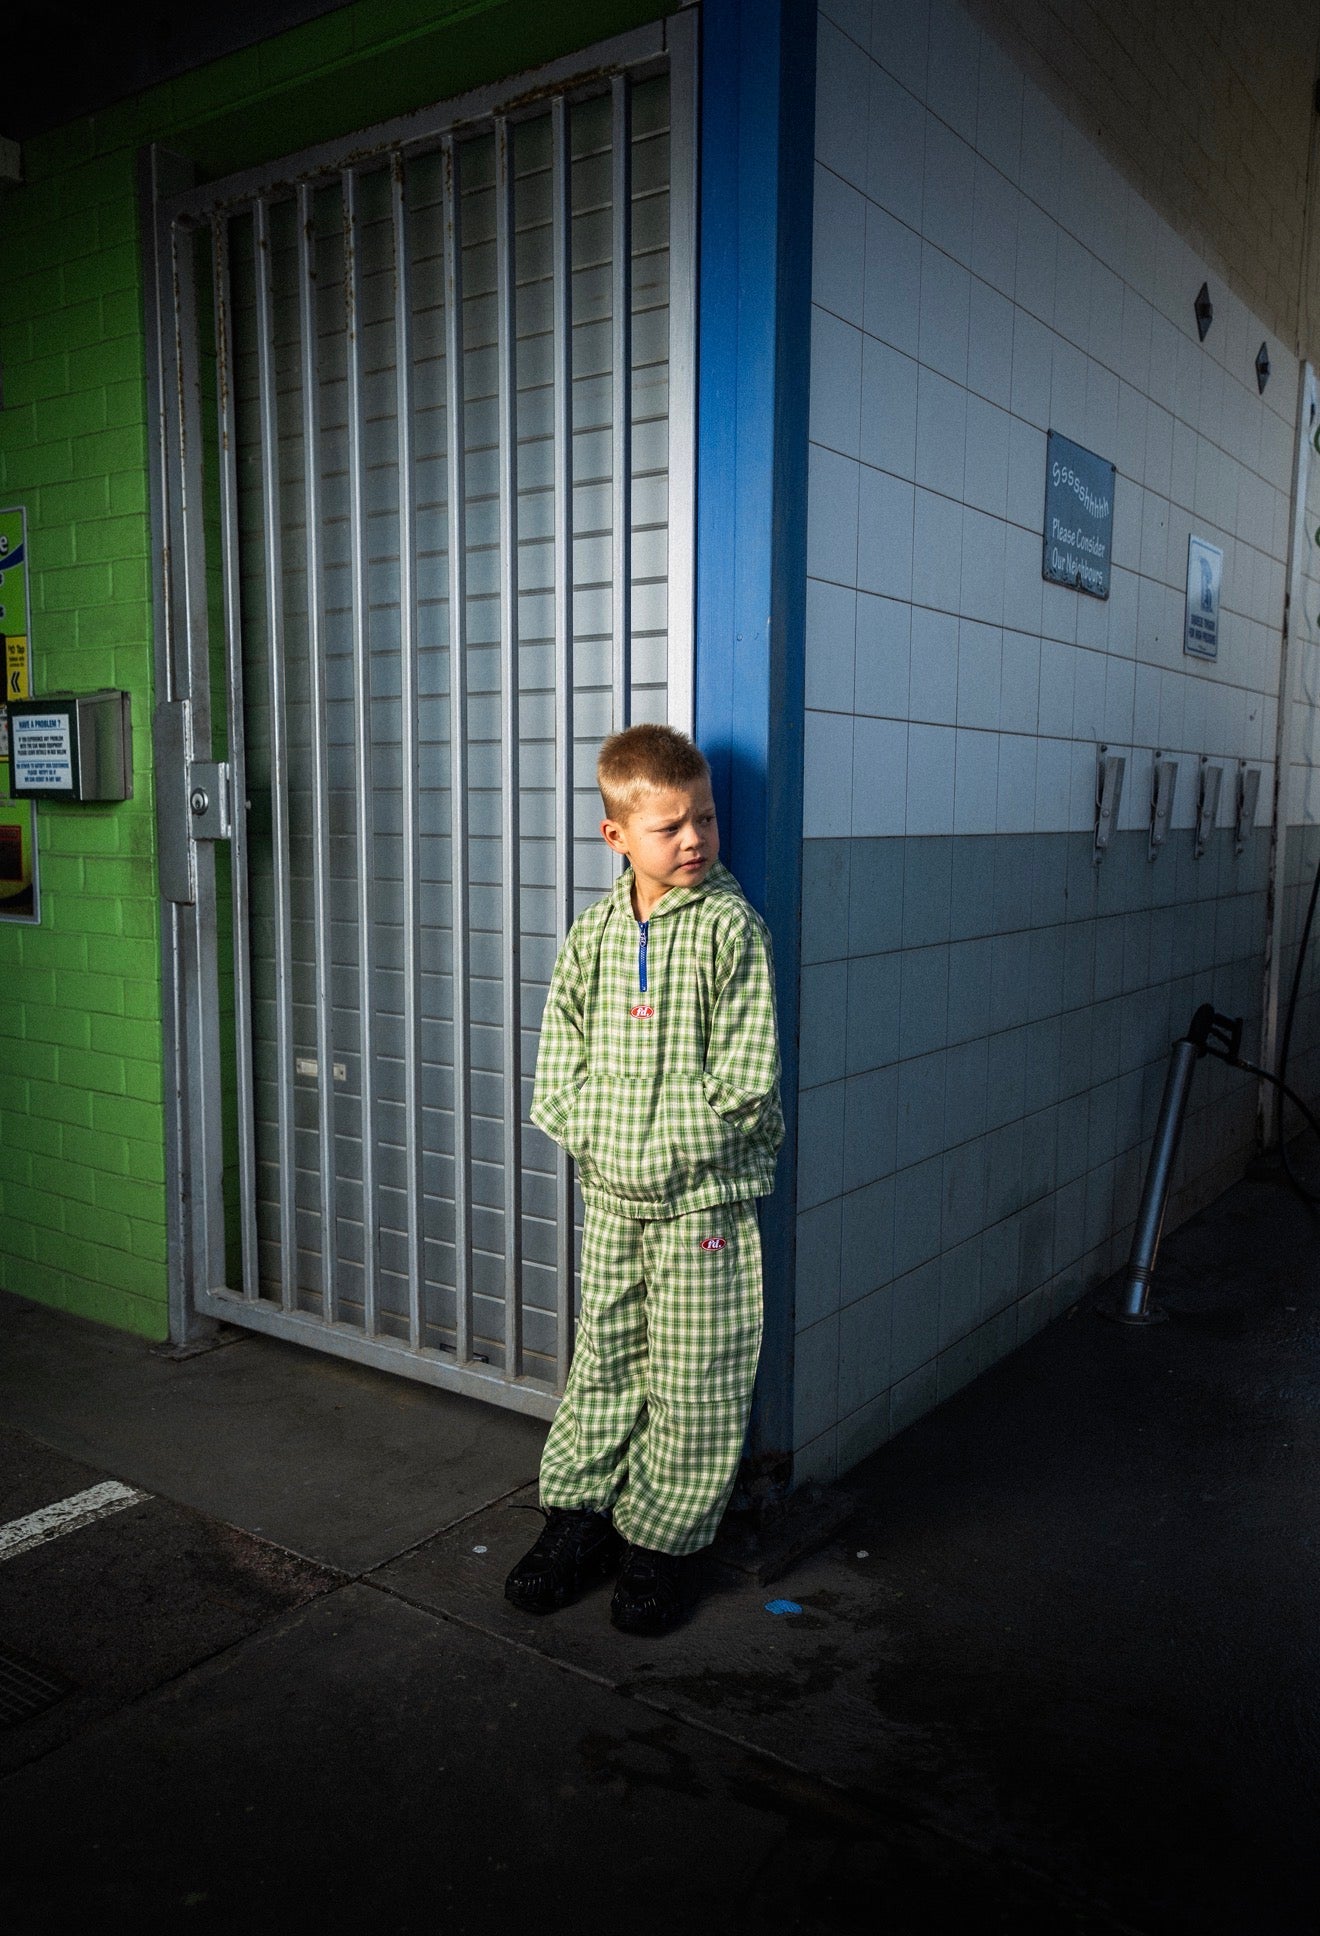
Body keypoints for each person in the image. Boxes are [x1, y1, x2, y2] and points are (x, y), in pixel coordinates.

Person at [504, 723, 783, 1635]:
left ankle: (664, 1543)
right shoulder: (592, 934)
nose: (695, 838)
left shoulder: (732, 931)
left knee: (697, 1376)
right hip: (612, 1205)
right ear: (616, 835)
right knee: (606, 1362)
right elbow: (558, 1069)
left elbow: (744, 1085)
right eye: (670, 827)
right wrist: (604, 1148)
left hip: (703, 1205)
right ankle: (579, 1518)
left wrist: (650, 1156)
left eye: (706, 817)